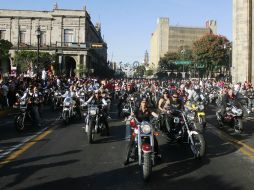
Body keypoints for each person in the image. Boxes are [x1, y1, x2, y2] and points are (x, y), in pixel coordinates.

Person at [124, 97, 160, 165]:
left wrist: (158, 116)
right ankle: (127, 158)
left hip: (147, 127)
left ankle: (157, 154)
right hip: (138, 127)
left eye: (145, 102)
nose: (144, 103)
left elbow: (153, 114)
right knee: (132, 140)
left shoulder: (149, 110)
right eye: (143, 102)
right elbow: (132, 114)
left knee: (154, 139)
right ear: (140, 103)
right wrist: (130, 117)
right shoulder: (137, 110)